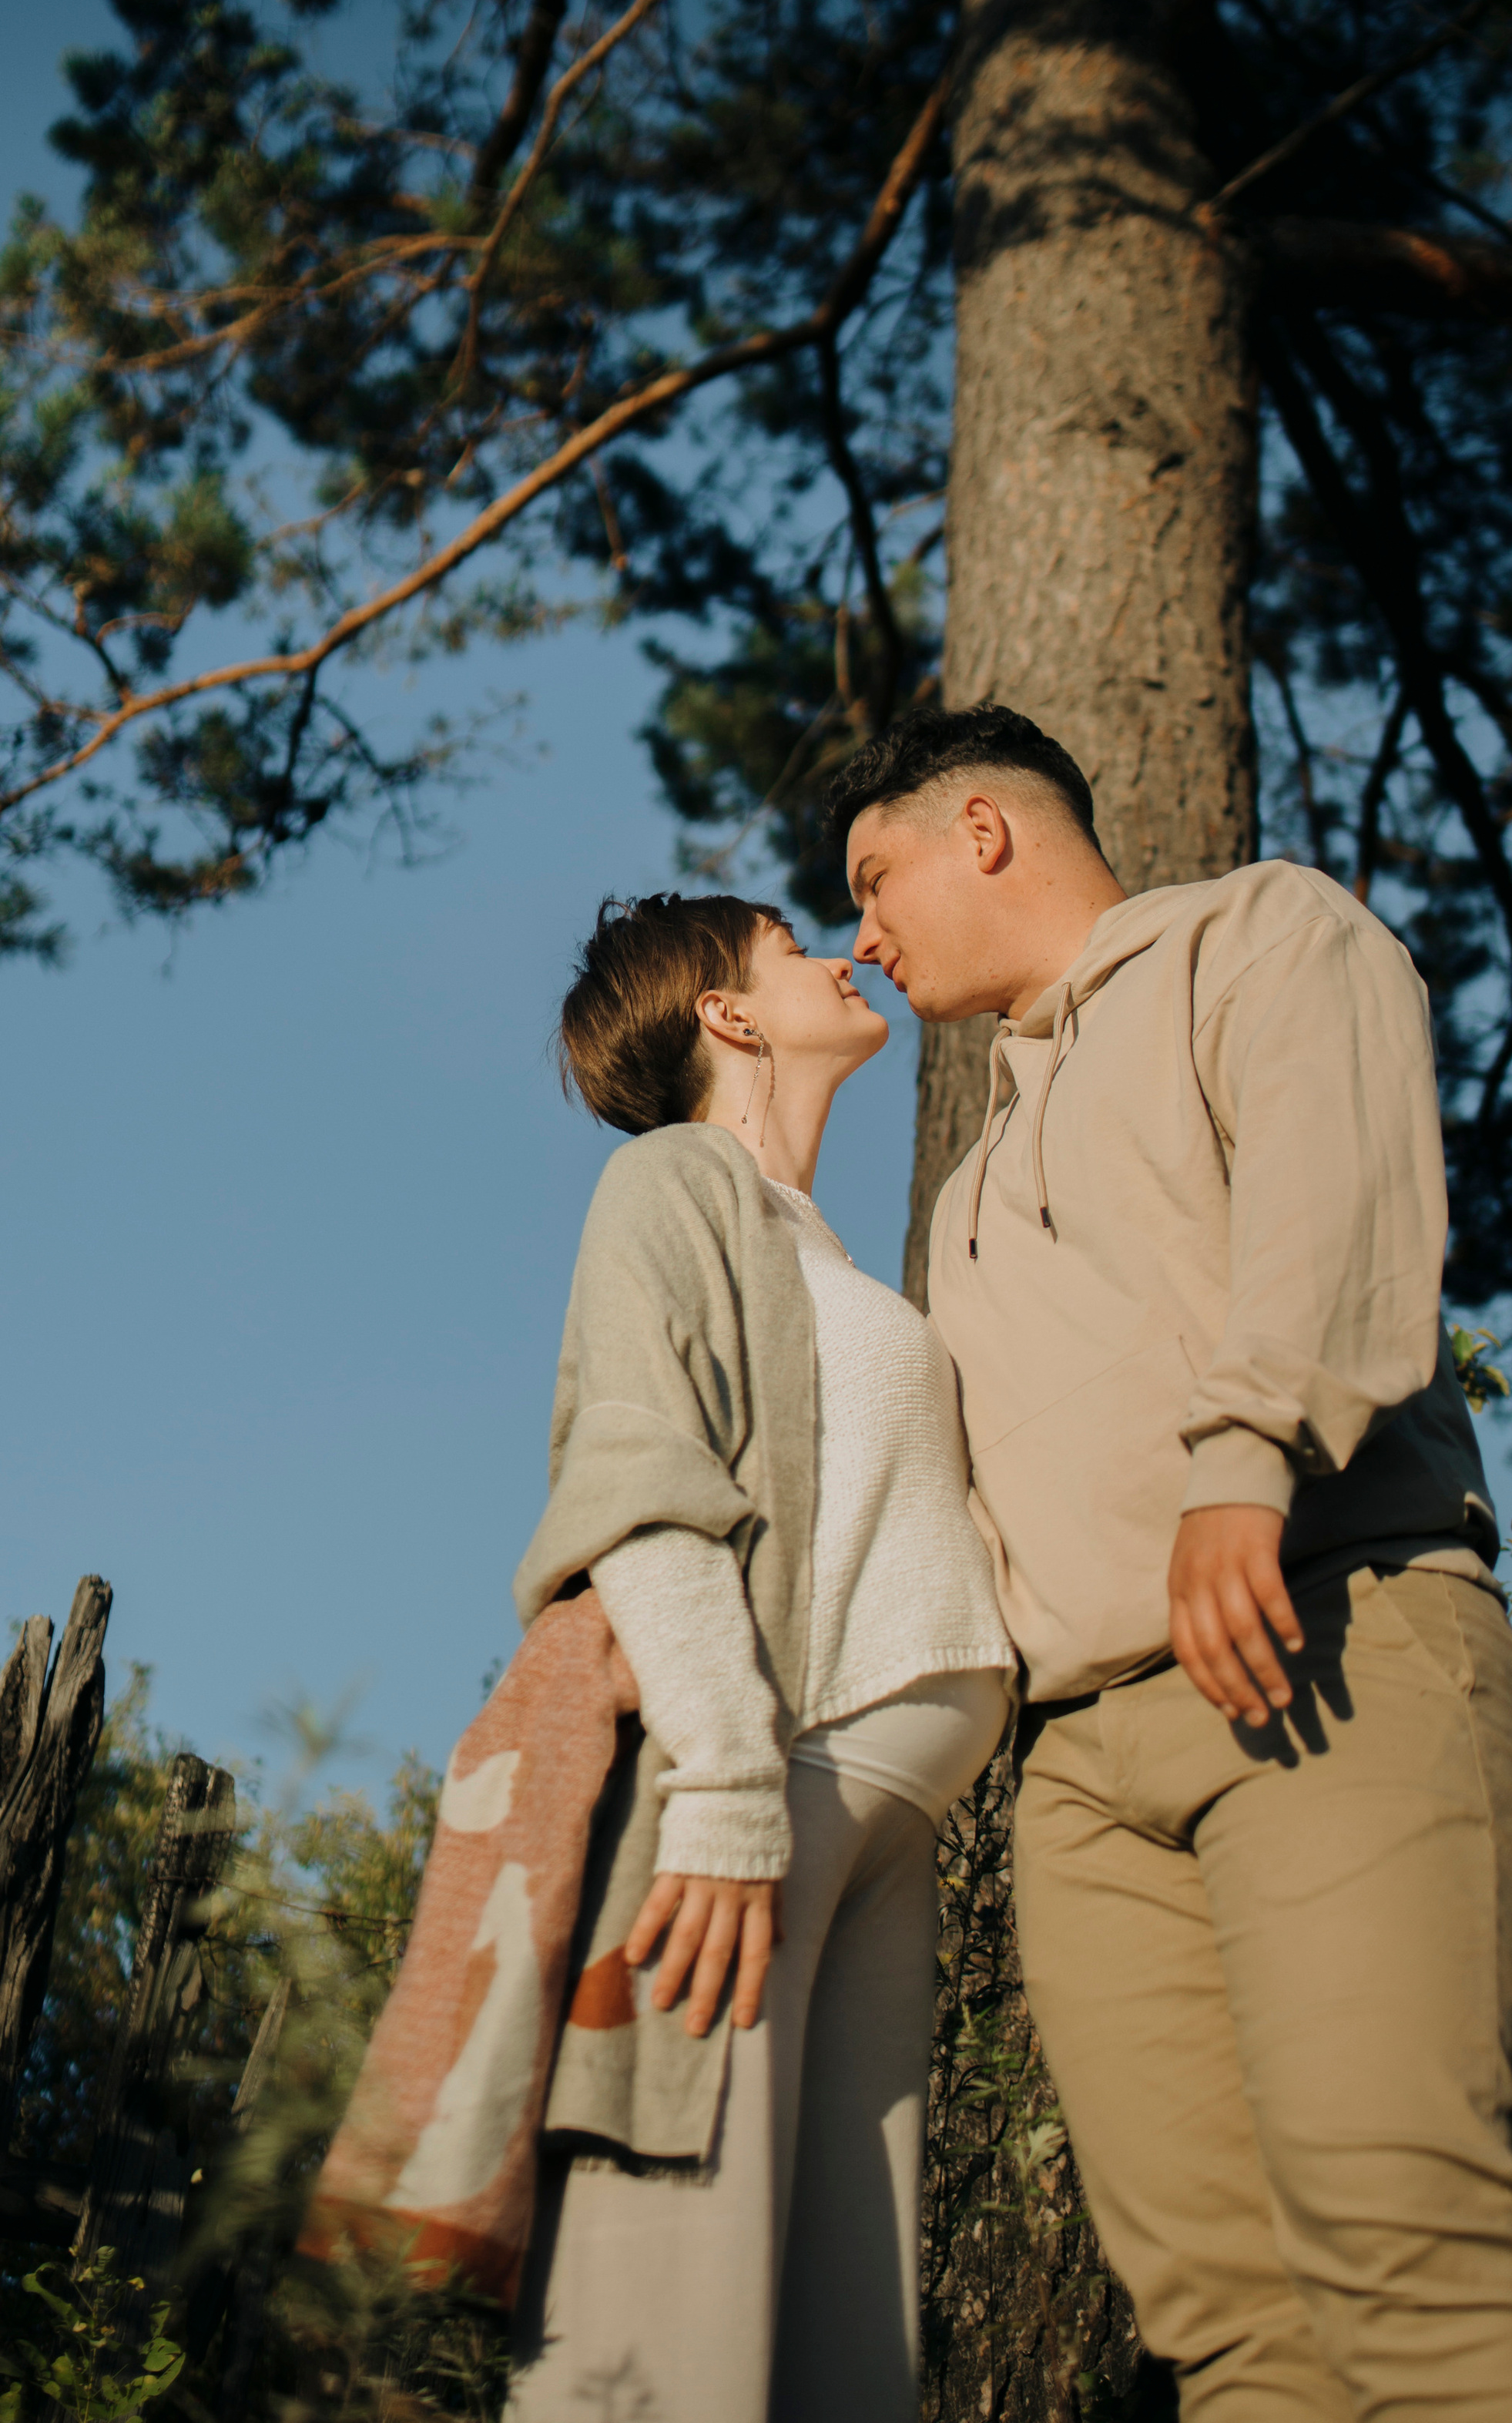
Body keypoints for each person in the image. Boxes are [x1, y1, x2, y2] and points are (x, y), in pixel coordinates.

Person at [830, 707, 1512, 2423]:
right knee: (1227, 2335)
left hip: (1324, 1650)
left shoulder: (1260, 934)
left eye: (870, 878)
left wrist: (1238, 1461)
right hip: (1082, 1787)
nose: (859, 936)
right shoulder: (961, 1200)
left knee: (1397, 2233)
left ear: (979, 830)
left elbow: (1335, 1204)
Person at [505, 891, 1014, 2423]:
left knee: (840, 2345)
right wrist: (725, 1785)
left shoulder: (823, 1246)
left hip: (877, 1827)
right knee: (665, 2316)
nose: (847, 956)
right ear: (727, 1014)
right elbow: (636, 1484)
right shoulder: (672, 1186)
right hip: (751, 1799)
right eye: (799, 946)